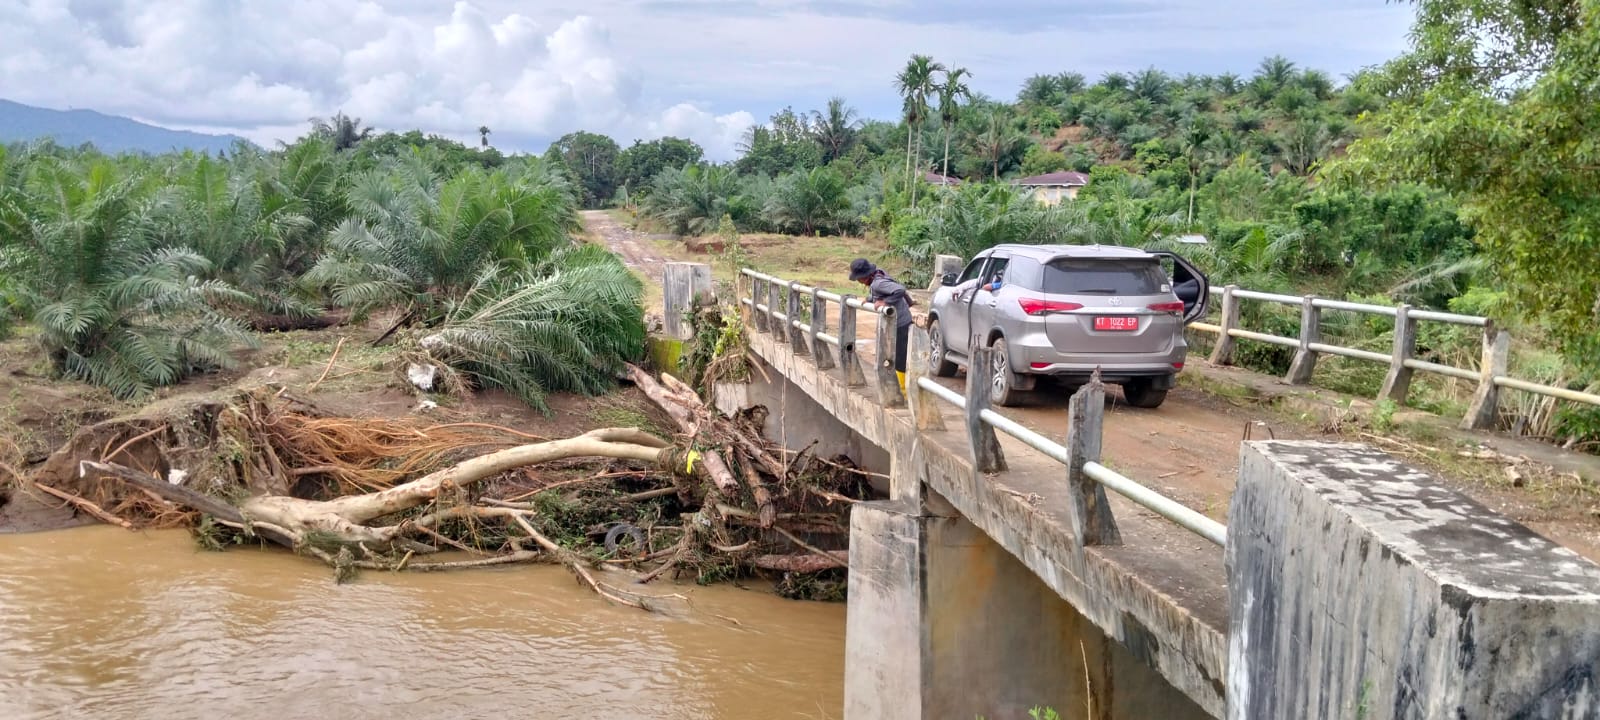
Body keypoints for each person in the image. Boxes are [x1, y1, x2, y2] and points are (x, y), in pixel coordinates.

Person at [848, 258, 913, 393]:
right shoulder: (876, 279)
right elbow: (880, 293)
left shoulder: (878, 283)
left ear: (864, 277)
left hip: (901, 323)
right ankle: (896, 387)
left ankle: (903, 392)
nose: (859, 282)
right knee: (891, 354)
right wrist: (870, 299)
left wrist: (886, 302)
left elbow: (899, 290)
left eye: (858, 279)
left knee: (900, 357)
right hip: (893, 323)